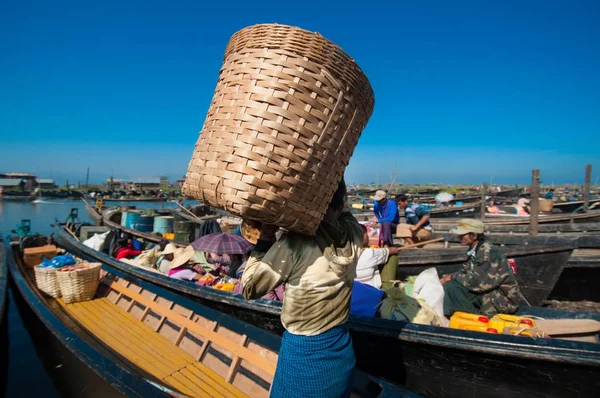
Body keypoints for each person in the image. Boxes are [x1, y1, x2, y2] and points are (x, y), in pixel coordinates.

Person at [241, 178, 363, 397]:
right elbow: (343, 213)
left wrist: (266, 238)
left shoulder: (295, 242)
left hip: (304, 354)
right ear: (340, 204)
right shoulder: (354, 233)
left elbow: (250, 288)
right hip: (341, 348)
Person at [440, 219, 521, 317]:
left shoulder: (488, 252)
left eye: (462, 235)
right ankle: (458, 314)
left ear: (474, 236)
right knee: (451, 286)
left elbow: (480, 284)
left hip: (501, 299)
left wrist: (453, 277)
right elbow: (465, 271)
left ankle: (474, 317)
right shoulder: (475, 249)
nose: (459, 237)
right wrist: (446, 278)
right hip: (485, 293)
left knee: (452, 285)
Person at [355, 224, 401, 289]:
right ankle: (388, 289)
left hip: (352, 291)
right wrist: (395, 249)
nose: (368, 237)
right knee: (392, 257)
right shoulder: (369, 253)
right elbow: (391, 251)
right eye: (366, 235)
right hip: (371, 292)